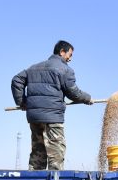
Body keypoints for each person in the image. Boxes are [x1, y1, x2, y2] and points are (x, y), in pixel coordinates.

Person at [11, 40, 92, 170]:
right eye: (70, 55)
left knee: (38, 153)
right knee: (56, 154)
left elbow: (17, 80)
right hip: (53, 117)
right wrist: (87, 98)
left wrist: (22, 102)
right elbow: (74, 93)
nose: (70, 59)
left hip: (35, 117)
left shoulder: (33, 68)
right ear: (62, 52)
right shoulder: (65, 69)